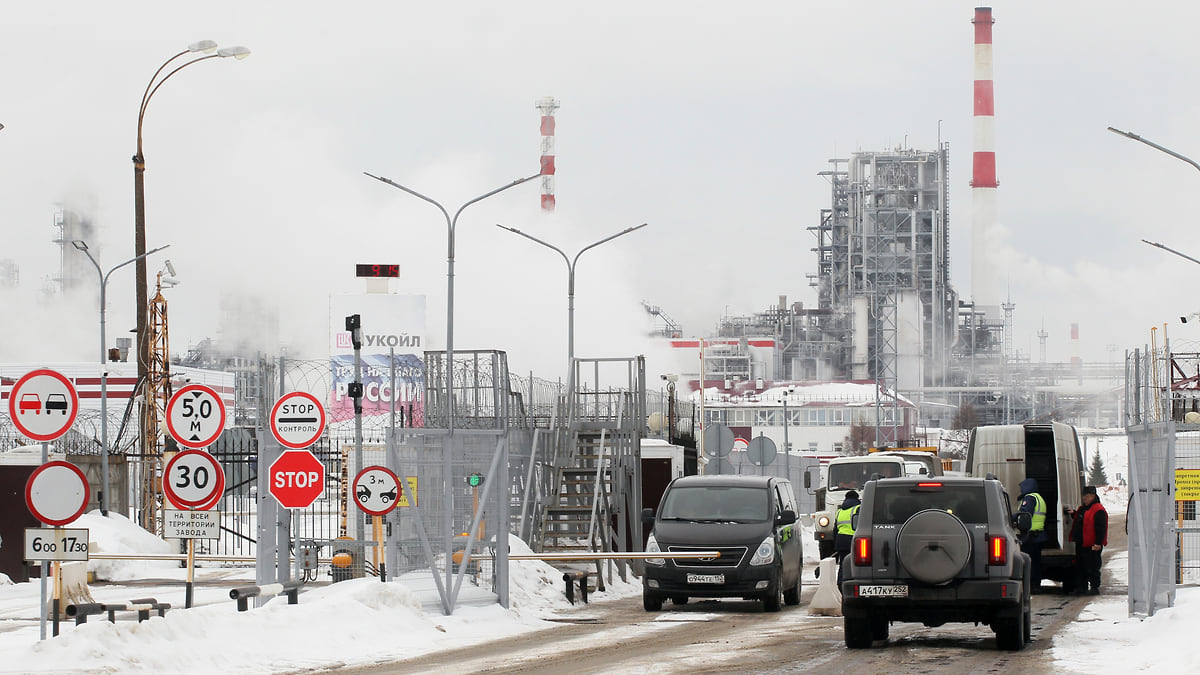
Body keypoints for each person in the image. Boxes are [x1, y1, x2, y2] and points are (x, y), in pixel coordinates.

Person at [1069, 486, 1108, 595]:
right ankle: (1082, 587)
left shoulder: (1098, 509)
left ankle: (1094, 587)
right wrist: (1073, 513)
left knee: (1093, 566)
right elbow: (1081, 519)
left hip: (1092, 544)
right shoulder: (1083, 508)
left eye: (1087, 496)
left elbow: (1101, 528)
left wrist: (1098, 543)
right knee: (1080, 566)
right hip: (1081, 543)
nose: (1084, 498)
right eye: (1084, 496)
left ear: (1093, 496)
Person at [1017, 477, 1048, 593]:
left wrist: (1011, 517)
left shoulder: (1029, 498)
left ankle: (1030, 586)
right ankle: (1036, 585)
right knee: (1036, 563)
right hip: (1038, 536)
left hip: (1031, 538)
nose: (1021, 491)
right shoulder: (1039, 498)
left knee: (1028, 563)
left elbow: (1025, 515)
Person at [834, 490, 861, 587]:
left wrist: (835, 546)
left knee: (843, 565)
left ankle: (841, 584)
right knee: (857, 564)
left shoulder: (839, 511)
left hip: (841, 541)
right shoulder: (858, 509)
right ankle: (855, 583)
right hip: (854, 541)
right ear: (857, 498)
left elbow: (835, 530)